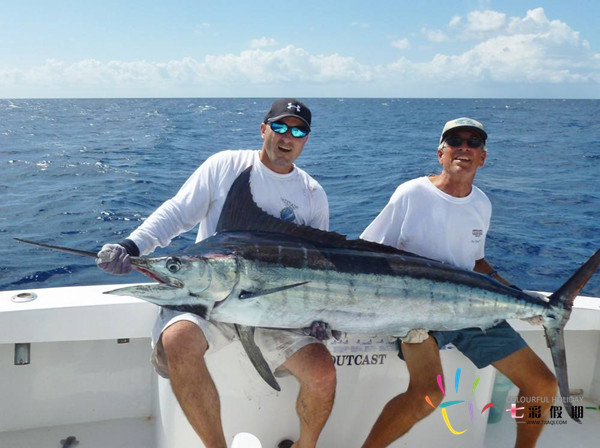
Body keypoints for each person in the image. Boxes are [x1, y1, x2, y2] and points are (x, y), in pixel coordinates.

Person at [96, 98, 336, 448]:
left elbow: (320, 266)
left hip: (275, 310)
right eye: (280, 127)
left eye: (298, 132)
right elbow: (177, 213)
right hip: (207, 300)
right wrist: (132, 246)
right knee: (177, 340)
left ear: (306, 140)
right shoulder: (225, 165)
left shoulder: (312, 194)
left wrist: (319, 313)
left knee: (322, 370)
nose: (287, 137)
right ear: (263, 129)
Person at [359, 118, 558, 448]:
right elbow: (369, 251)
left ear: (483, 157)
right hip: (418, 313)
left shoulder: (481, 203)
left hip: (471, 309)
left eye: (473, 142)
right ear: (441, 153)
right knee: (429, 392)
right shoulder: (411, 193)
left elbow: (476, 262)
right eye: (455, 141)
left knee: (542, 385)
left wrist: (517, 296)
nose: (464, 147)